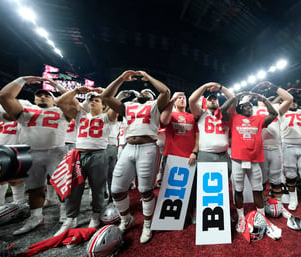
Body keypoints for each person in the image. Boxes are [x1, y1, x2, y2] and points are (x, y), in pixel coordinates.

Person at [101, 70, 170, 244]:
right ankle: (126, 219)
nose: (144, 94)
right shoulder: (127, 106)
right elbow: (106, 96)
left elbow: (165, 92)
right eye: (142, 92)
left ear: (151, 97)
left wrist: (148, 76)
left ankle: (147, 224)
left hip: (148, 147)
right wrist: (121, 79)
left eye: (148, 93)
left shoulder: (154, 105)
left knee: (146, 190)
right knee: (116, 190)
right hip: (128, 147)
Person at [0, 76, 72, 235]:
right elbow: (4, 96)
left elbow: (73, 101)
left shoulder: (62, 110)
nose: (42, 96)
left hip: (56, 151)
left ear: (55, 100)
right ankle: (36, 217)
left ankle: (66, 213)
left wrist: (56, 84)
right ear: (34, 99)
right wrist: (22, 80)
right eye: (39, 95)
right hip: (31, 152)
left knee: (63, 186)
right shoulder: (25, 110)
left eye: (47, 95)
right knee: (34, 189)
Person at [54, 88, 118, 236]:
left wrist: (105, 93)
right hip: (79, 154)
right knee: (74, 187)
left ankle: (95, 214)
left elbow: (115, 104)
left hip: (98, 154)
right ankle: (71, 218)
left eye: (97, 100)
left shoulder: (108, 117)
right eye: (91, 100)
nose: (93, 102)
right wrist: (76, 90)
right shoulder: (79, 115)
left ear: (103, 105)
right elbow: (60, 101)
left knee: (98, 188)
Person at [229, 92, 278, 233]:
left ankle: (261, 216)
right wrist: (237, 97)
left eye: (250, 105)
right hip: (238, 160)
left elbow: (274, 114)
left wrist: (265, 100)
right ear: (239, 108)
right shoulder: (234, 117)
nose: (248, 107)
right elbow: (226, 110)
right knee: (238, 190)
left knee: (258, 189)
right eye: (245, 106)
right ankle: (240, 217)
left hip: (255, 160)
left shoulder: (258, 119)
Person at [251, 81, 293, 201]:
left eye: (264, 94)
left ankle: (277, 203)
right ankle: (263, 203)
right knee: (261, 178)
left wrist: (274, 87)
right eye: (259, 94)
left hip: (275, 147)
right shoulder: (251, 109)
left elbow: (289, 99)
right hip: (260, 148)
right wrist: (252, 91)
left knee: (276, 178)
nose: (261, 95)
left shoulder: (275, 108)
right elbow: (237, 104)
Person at [160, 92, 199, 222]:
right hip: (172, 157)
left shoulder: (192, 117)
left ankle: (192, 211)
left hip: (189, 157)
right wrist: (172, 100)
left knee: (193, 188)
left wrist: (194, 151)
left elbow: (197, 136)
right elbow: (163, 121)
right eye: (179, 98)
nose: (182, 99)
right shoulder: (170, 114)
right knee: (172, 188)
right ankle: (176, 214)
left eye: (184, 97)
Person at [188, 82, 234, 174]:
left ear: (218, 102)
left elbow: (233, 99)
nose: (212, 100)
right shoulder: (201, 113)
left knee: (224, 183)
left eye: (215, 99)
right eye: (210, 99)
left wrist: (221, 87)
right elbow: (192, 100)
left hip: (224, 154)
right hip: (205, 153)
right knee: (205, 184)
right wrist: (205, 86)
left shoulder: (225, 114)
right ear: (206, 102)